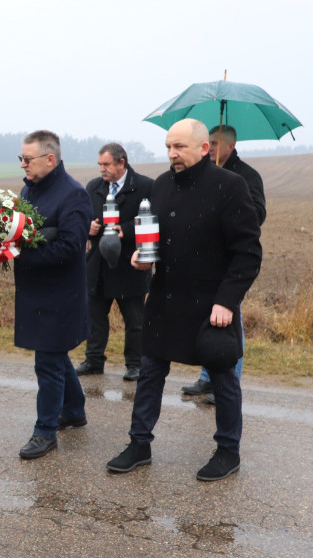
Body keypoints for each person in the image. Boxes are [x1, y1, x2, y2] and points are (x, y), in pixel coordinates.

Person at [107, 119, 262, 481]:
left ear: (204, 148)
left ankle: (228, 450)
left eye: (179, 147)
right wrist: (143, 255)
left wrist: (226, 302)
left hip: (212, 305)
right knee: (149, 374)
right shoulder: (162, 185)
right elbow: (157, 235)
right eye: (168, 147)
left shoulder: (230, 186)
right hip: (165, 298)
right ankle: (139, 444)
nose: (172, 154)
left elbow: (248, 253)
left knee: (223, 379)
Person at [12, 130, 93, 459]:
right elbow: (25, 233)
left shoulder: (74, 195)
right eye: (21, 159)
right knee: (55, 354)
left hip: (60, 294)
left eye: (27, 159)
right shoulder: (27, 191)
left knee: (46, 360)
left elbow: (71, 247)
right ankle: (73, 411)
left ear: (50, 159)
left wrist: (21, 256)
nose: (23, 166)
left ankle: (45, 431)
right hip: (34, 291)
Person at [181, 125, 267, 402]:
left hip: (230, 264)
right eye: (210, 142)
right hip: (203, 262)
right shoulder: (202, 174)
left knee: (229, 320)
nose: (213, 147)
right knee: (205, 319)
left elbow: (256, 215)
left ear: (231, 146)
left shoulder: (246, 176)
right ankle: (207, 378)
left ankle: (228, 383)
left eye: (216, 143)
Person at [76, 143, 153, 381]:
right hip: (98, 264)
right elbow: (83, 218)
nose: (102, 170)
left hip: (130, 265)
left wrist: (126, 230)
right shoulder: (95, 187)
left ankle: (135, 365)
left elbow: (151, 220)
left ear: (122, 162)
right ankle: (94, 360)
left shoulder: (145, 186)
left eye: (106, 164)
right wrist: (88, 227)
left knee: (135, 320)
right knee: (95, 316)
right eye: (100, 165)